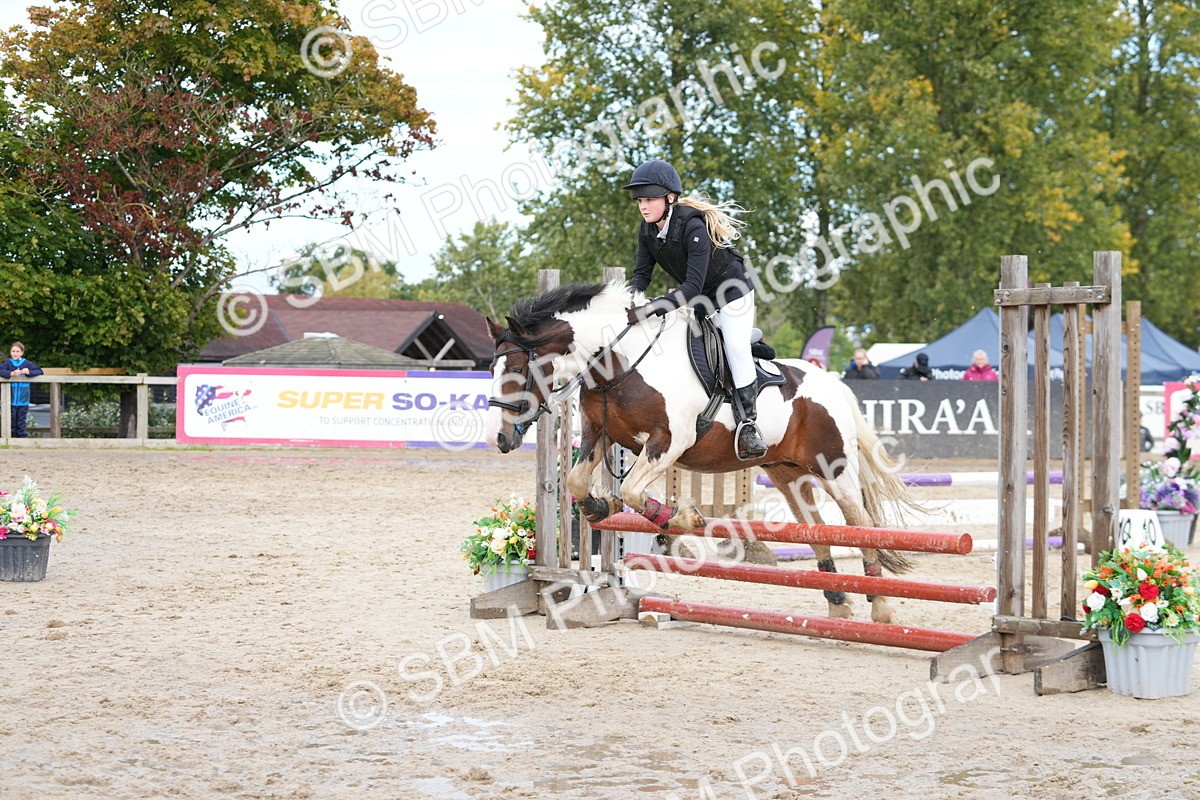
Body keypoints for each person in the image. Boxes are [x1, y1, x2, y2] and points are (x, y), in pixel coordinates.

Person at [622, 159, 767, 460]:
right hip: (701, 299)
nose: (644, 206)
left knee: (735, 347)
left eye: (649, 199)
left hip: (732, 293)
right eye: (640, 201)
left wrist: (653, 308)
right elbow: (641, 274)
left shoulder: (692, 226)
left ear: (669, 198)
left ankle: (749, 425)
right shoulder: (647, 230)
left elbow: (690, 287)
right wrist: (631, 300)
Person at [1, 341, 44, 438]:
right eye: (13, 351)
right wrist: (11, 374)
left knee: (21, 421)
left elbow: (40, 371)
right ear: (10, 352)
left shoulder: (26, 363)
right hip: (9, 400)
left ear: (22, 352)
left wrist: (29, 372)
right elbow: (1, 370)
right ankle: (10, 440)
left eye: (17, 351)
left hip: (23, 400)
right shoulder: (7, 363)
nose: (15, 353)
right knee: (11, 421)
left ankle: (21, 440)